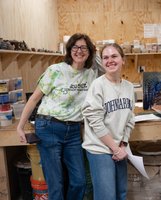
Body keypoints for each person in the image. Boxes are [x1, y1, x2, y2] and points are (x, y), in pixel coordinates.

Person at [17, 33, 98, 200]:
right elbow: (34, 98)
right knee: (56, 183)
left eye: (84, 47)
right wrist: (20, 126)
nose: (79, 51)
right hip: (49, 127)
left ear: (89, 52)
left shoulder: (91, 75)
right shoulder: (56, 70)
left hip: (74, 131)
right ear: (69, 51)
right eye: (75, 47)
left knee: (79, 181)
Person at [81, 43, 135, 200]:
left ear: (123, 60)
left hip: (119, 147)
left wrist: (123, 143)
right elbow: (95, 121)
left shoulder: (129, 87)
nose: (110, 60)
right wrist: (115, 148)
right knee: (107, 196)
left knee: (121, 194)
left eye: (114, 56)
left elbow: (130, 118)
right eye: (105, 57)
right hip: (100, 149)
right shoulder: (98, 85)